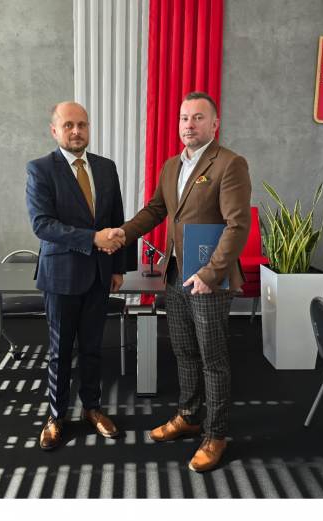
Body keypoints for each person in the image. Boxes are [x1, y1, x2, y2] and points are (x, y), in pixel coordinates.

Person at [106, 91, 251, 471]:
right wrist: (123, 233)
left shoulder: (230, 164)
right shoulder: (172, 166)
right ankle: (189, 416)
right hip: (175, 275)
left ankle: (216, 434)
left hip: (209, 280)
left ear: (214, 124)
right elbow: (156, 210)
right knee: (184, 352)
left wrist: (210, 273)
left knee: (213, 360)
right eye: (185, 117)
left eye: (198, 117)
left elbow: (238, 225)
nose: (190, 124)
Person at [26, 101, 126, 450]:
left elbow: (116, 219)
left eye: (82, 124)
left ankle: (92, 408)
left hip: (100, 274)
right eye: (68, 125)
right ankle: (56, 416)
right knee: (60, 351)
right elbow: (43, 225)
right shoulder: (41, 169)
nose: (76, 131)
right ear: (54, 130)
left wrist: (118, 267)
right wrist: (93, 239)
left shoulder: (106, 167)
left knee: (93, 348)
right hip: (60, 276)